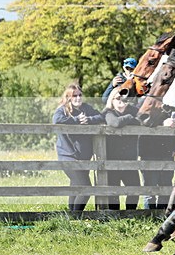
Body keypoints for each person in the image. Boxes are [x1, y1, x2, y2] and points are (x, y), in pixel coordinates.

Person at [52, 83, 104, 212]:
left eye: (80, 95)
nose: (78, 98)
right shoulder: (62, 110)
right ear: (68, 97)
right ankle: (76, 215)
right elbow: (56, 120)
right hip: (68, 156)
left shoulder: (86, 108)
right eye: (74, 96)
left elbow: (101, 116)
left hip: (84, 157)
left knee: (75, 185)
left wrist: (89, 119)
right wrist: (76, 120)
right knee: (86, 188)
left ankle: (72, 215)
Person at [101, 90, 141, 210]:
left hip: (130, 159)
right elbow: (115, 122)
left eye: (124, 99)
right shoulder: (109, 112)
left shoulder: (134, 110)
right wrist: (130, 118)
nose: (121, 102)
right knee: (114, 190)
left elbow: (142, 120)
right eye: (118, 99)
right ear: (112, 100)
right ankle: (115, 216)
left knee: (134, 189)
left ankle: (131, 213)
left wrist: (133, 118)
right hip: (113, 159)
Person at [139, 110, 175, 209]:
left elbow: (174, 132)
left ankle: (162, 214)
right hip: (149, 153)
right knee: (150, 187)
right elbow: (144, 121)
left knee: (166, 186)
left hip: (167, 153)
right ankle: (149, 215)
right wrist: (162, 124)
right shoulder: (147, 105)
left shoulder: (169, 108)